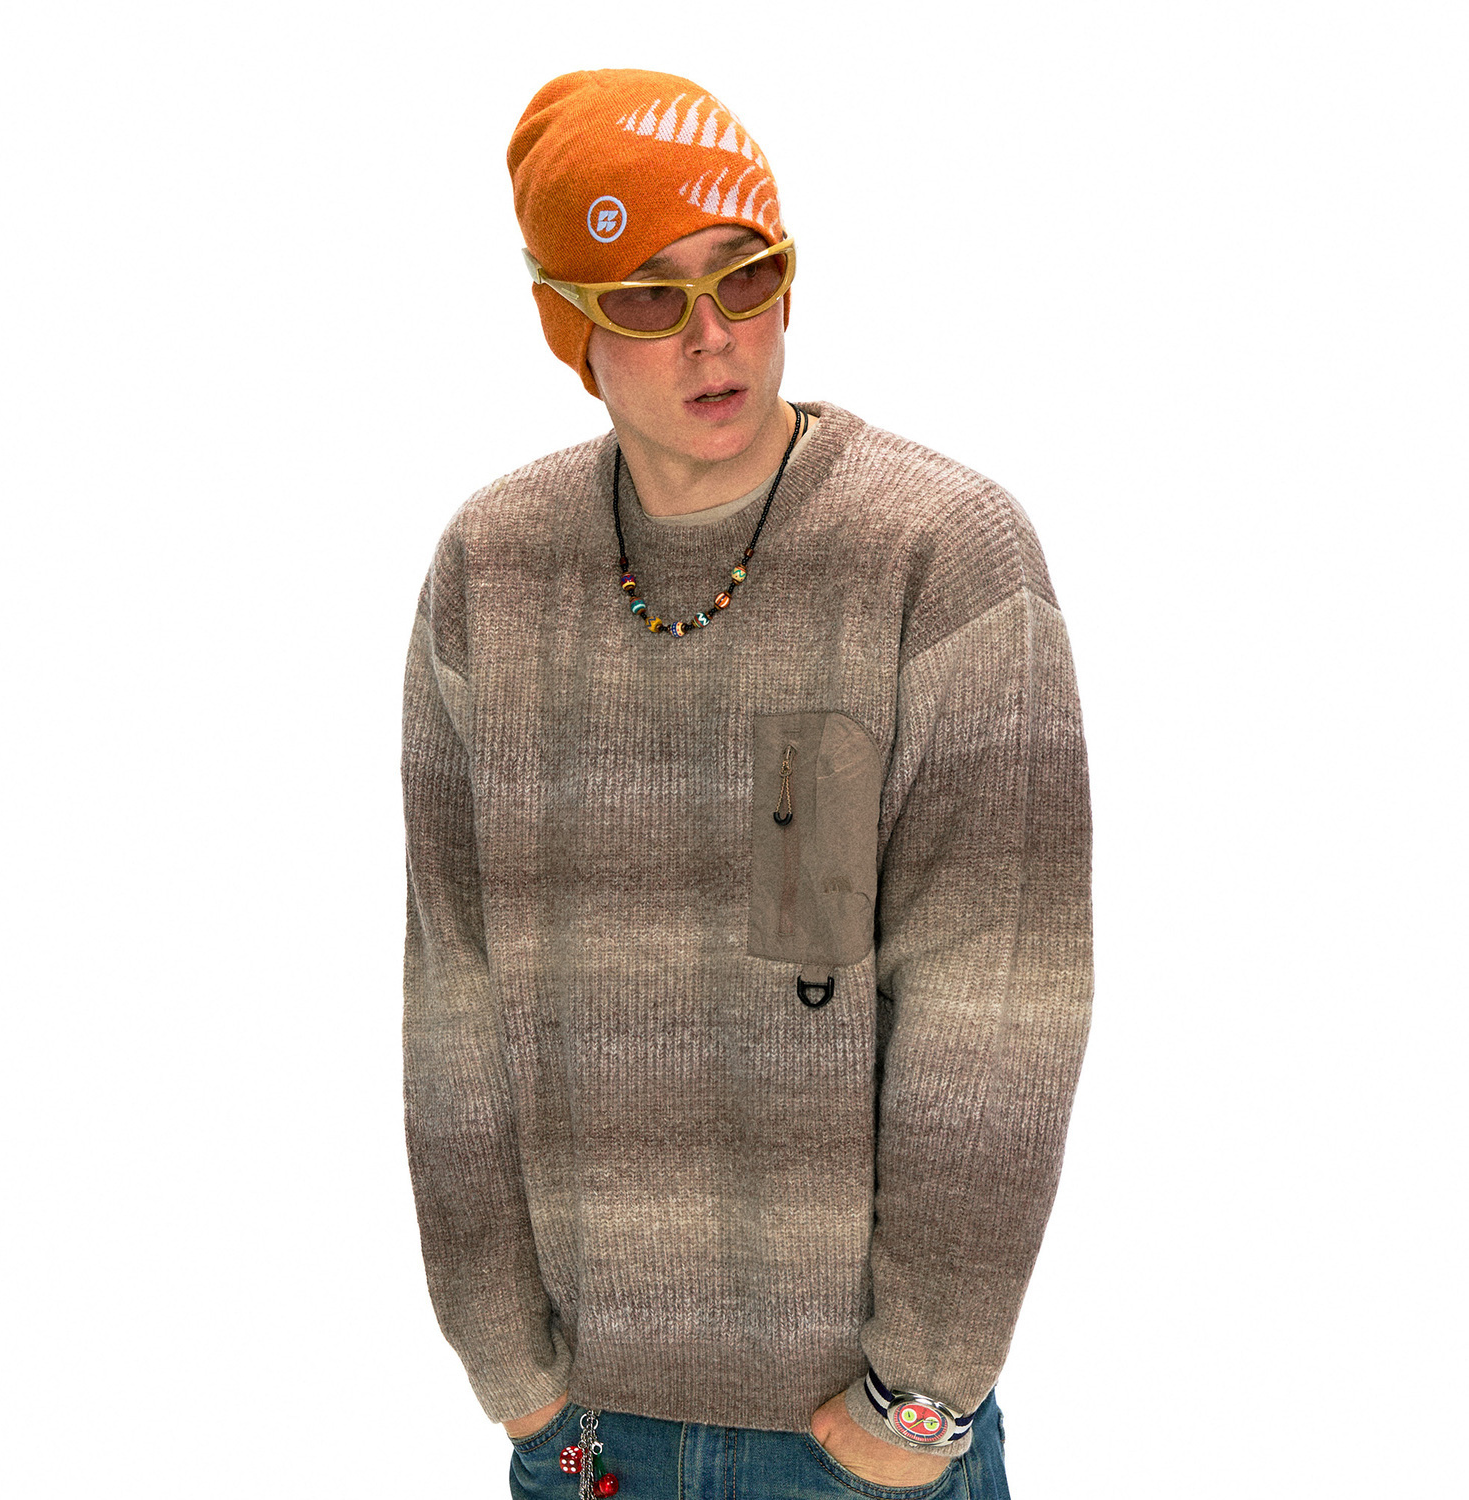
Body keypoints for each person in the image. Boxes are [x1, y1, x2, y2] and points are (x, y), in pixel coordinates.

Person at [401, 68, 1093, 1499]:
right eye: (648, 299)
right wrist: (512, 1374)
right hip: (585, 1435)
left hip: (857, 1445)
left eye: (746, 274)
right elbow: (453, 985)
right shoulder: (491, 572)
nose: (713, 335)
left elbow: (999, 998)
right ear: (569, 324)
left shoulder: (938, 557)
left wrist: (921, 1395)